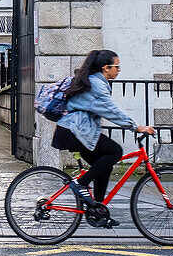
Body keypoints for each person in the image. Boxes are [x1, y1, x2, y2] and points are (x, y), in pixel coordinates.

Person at [53, 48, 155, 228]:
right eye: (117, 66)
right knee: (115, 151)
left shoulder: (96, 82)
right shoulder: (97, 85)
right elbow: (112, 111)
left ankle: (98, 211)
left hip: (74, 131)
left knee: (104, 165)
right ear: (106, 68)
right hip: (74, 131)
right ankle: (80, 183)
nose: (119, 70)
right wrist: (136, 127)